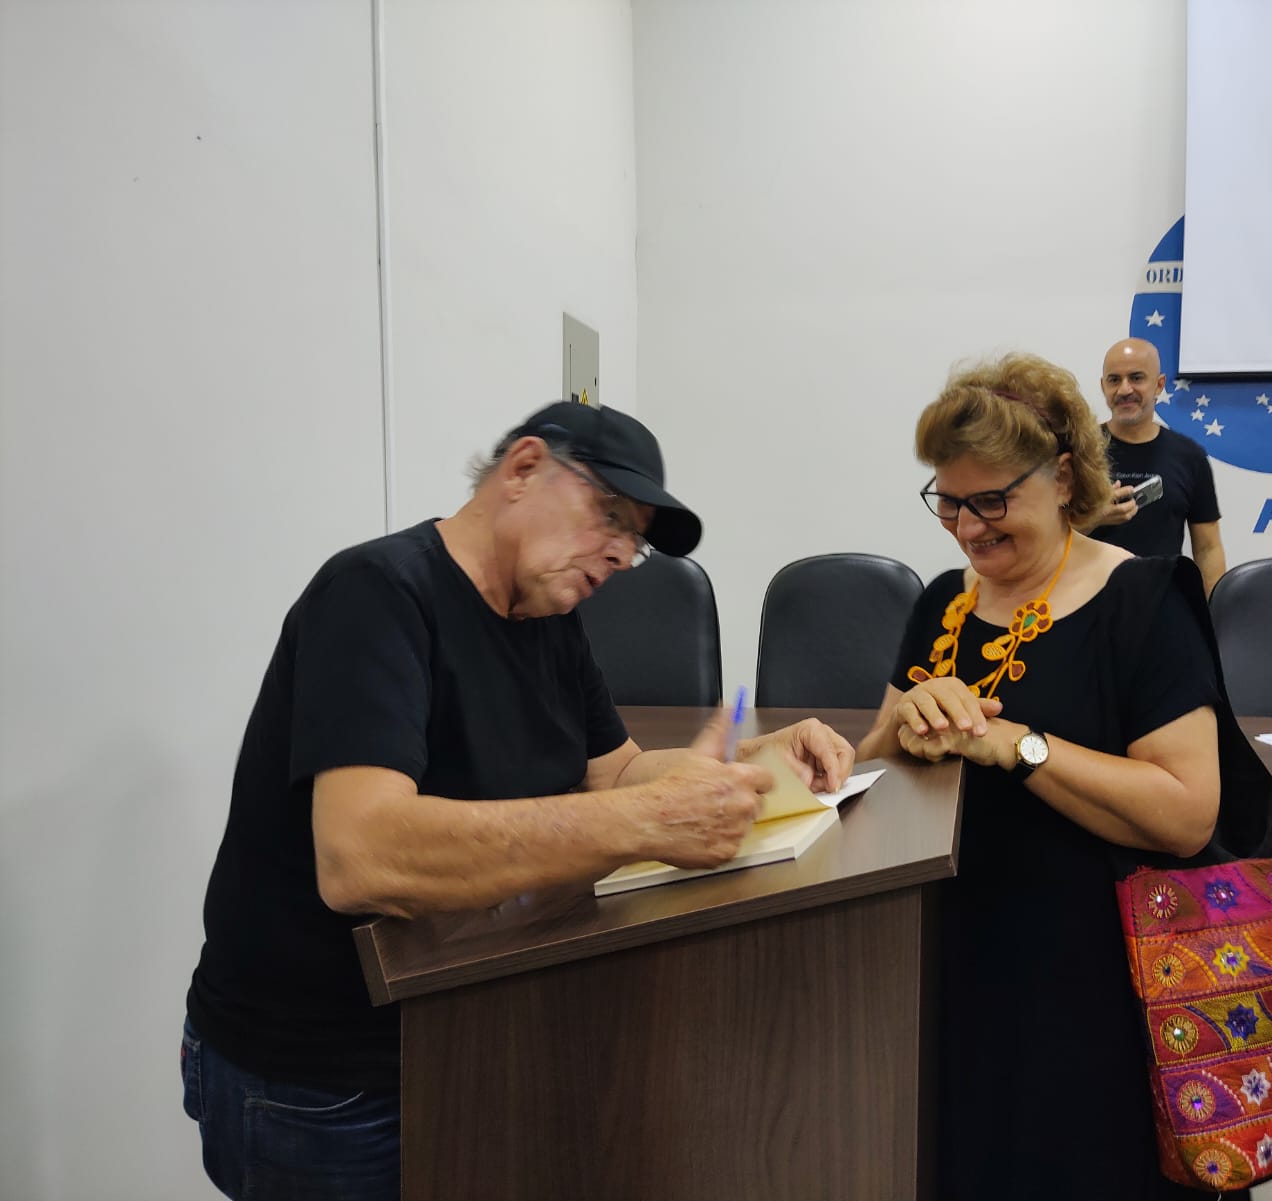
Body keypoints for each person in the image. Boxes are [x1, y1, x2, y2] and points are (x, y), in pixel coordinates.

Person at [180, 401, 855, 1201]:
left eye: (631, 542)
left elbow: (614, 773)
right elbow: (360, 857)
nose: (617, 554)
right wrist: (647, 821)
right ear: (524, 468)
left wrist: (755, 765)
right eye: (609, 515)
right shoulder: (376, 593)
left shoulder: (547, 616)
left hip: (465, 1027)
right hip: (323, 1078)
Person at [857, 353, 1272, 1198]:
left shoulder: (1145, 598)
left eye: (992, 500)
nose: (968, 528)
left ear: (1063, 474)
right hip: (955, 961)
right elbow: (878, 765)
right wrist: (894, 730)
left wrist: (1018, 745)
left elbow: (1188, 813)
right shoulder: (942, 602)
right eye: (948, 500)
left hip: (1099, 982)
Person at [1081, 337, 1227, 596]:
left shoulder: (1189, 456)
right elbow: (1046, 537)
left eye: (1136, 378)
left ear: (1159, 385)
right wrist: (1093, 518)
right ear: (1103, 387)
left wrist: (1214, 617)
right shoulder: (1078, 451)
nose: (1125, 389)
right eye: (1114, 380)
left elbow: (1208, 548)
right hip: (1086, 604)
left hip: (1163, 606)